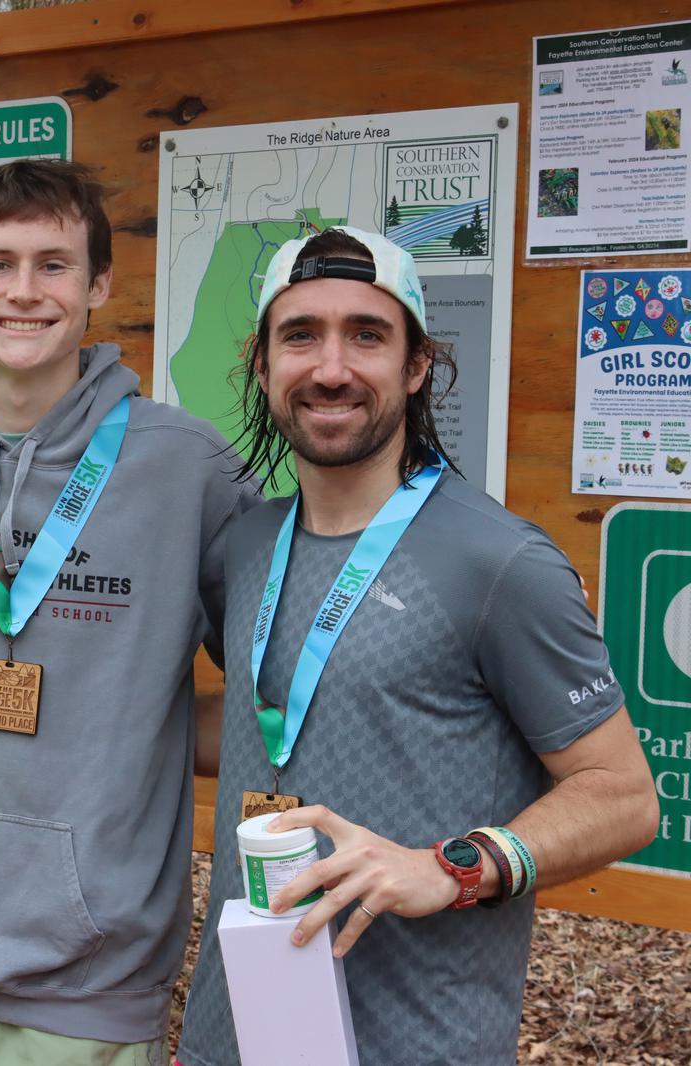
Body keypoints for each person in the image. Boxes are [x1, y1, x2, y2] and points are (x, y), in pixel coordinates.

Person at [175, 226, 659, 1066]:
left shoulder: (498, 562)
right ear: (262, 365)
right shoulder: (246, 546)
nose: (331, 368)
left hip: (419, 1041)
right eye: (301, 335)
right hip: (233, 1034)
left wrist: (456, 866)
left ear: (416, 366)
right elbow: (270, 722)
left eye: (367, 335)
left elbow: (624, 796)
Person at [0, 158, 258, 1064]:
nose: (23, 291)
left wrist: (146, 732)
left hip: (89, 976)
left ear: (98, 284)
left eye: (53, 264)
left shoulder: (187, 467)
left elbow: (276, 689)